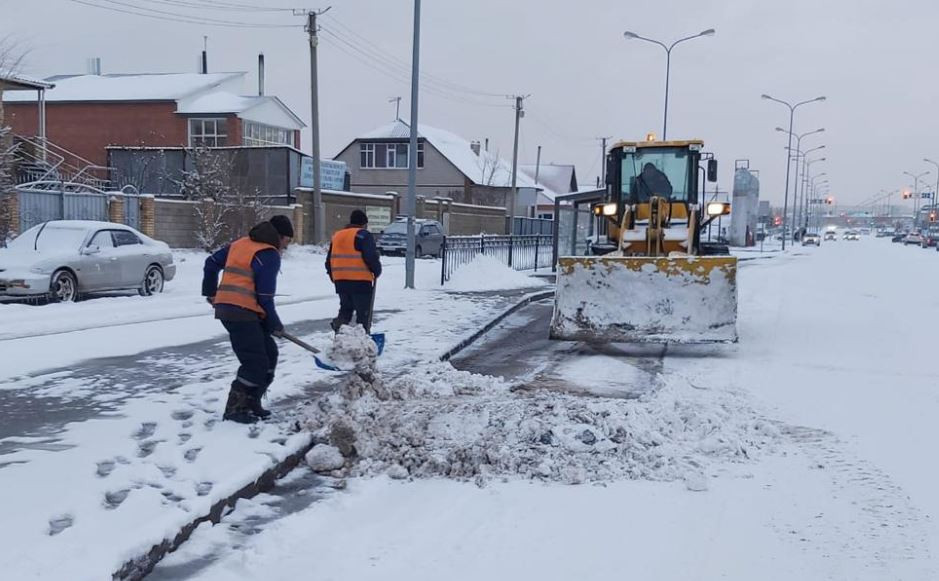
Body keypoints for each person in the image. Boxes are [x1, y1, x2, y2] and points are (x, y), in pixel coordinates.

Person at [202, 215, 293, 424]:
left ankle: (252, 403)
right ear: (278, 237)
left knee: (269, 354)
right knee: (255, 362)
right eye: (286, 241)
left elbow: (211, 263)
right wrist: (274, 323)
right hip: (240, 312)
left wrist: (210, 292)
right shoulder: (269, 254)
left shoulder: (240, 244)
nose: (286, 247)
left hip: (238, 309)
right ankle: (234, 409)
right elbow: (265, 297)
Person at [326, 209, 382, 332]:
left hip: (341, 281)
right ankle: (363, 339)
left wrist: (333, 277)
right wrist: (377, 270)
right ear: (363, 224)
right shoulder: (363, 235)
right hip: (361, 282)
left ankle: (340, 331)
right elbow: (370, 257)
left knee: (345, 310)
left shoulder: (337, 236)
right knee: (363, 315)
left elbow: (328, 260)